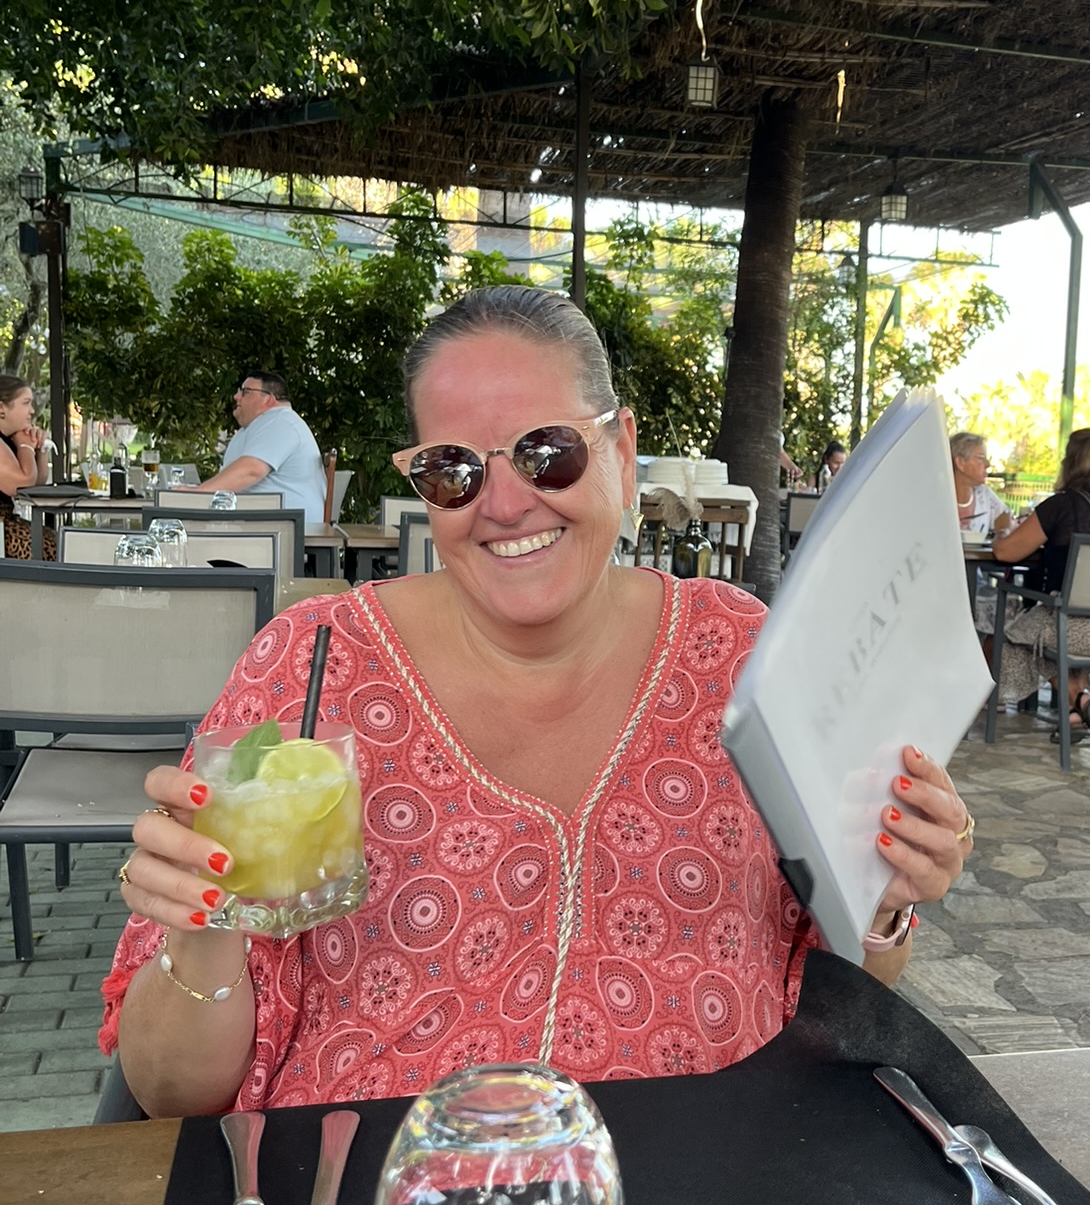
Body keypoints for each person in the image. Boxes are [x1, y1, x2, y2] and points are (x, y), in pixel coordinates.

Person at [103, 287, 973, 1117]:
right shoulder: (312, 666)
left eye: (547, 452)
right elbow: (172, 1094)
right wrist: (203, 928)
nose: (507, 504)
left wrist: (884, 899)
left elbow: (841, 984)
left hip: (714, 1178)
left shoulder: (745, 658)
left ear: (621, 451)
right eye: (452, 470)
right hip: (376, 1187)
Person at [990, 428, 1090, 739]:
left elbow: (1005, 552)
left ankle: (1080, 700)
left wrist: (1002, 530)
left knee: (1019, 635)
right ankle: (1075, 714)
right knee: (1060, 625)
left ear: (1071, 464)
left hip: (1079, 629)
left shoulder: (1061, 506)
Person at [181, 371, 326, 524]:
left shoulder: (281, 421)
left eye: (245, 392)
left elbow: (251, 470)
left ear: (268, 399)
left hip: (286, 531)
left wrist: (198, 494)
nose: (236, 396)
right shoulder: (260, 426)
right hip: (266, 526)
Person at [0, 374, 54, 559]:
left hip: (7, 524)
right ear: (1, 408)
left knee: (61, 541)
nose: (32, 411)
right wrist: (25, 446)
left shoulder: (11, 439)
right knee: (52, 548)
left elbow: (36, 483)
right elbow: (21, 484)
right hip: (2, 530)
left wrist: (40, 448)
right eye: (26, 403)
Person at [951, 432, 1014, 538]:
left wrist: (1003, 531)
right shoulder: (936, 496)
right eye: (981, 458)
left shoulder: (984, 495)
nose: (987, 465)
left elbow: (1006, 517)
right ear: (960, 462)